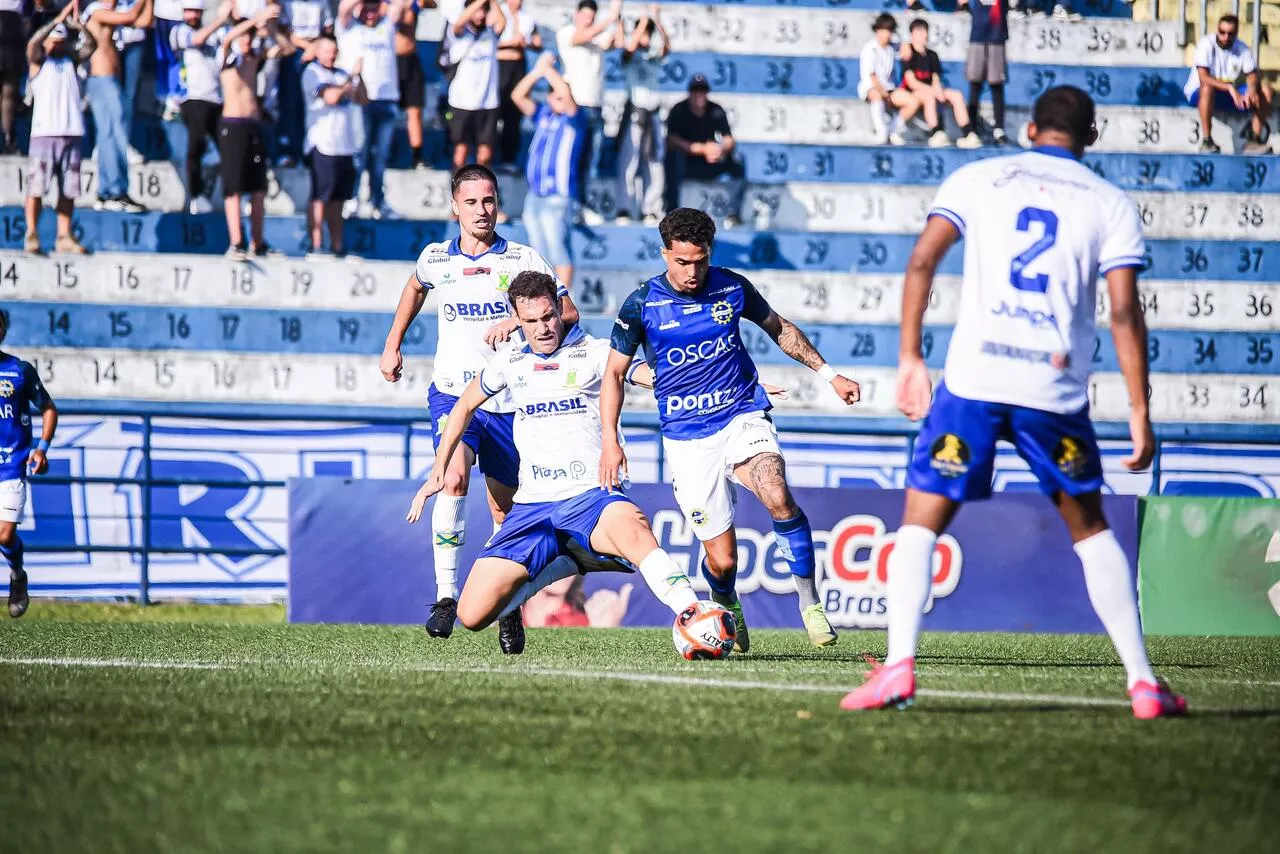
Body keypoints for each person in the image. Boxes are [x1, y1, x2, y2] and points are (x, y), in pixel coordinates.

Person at [838, 87, 1186, 720]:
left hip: (974, 380)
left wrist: (910, 357)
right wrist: (1139, 410)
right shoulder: (1109, 202)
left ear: (1029, 130)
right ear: (1091, 135)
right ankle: (1142, 684)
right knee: (1091, 529)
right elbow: (1124, 312)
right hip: (1052, 391)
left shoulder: (978, 178)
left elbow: (921, 262)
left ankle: (897, 668)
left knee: (919, 522)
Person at [599, 208, 861, 651]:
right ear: (664, 254)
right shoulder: (642, 305)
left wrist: (829, 374)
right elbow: (613, 374)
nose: (692, 272)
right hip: (687, 437)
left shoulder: (732, 286)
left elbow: (780, 328)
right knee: (722, 562)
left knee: (777, 493)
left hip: (741, 413)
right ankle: (725, 599)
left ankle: (811, 604)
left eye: (700, 260)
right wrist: (611, 440)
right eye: (682, 262)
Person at [407, 271, 702, 644]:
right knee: (473, 614)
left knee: (636, 533)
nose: (543, 328)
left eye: (548, 316)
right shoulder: (510, 361)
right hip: (532, 506)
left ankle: (695, 613)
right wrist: (439, 469)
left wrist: (729, 387)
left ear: (560, 310)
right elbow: (464, 405)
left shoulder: (594, 352)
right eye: (531, 321)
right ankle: (568, 559)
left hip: (591, 495)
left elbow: (653, 377)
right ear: (517, 319)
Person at [379, 164, 582, 645]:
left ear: (498, 204)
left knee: (503, 511)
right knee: (453, 476)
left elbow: (569, 312)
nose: (481, 210)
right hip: (454, 393)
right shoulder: (436, 258)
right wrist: (393, 342)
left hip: (510, 401)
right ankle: (446, 597)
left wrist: (517, 322)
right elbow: (415, 287)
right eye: (471, 202)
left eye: (488, 200)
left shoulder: (523, 260)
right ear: (455, 207)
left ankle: (505, 605)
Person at [218, 3, 293, 259]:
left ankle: (257, 242)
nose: (246, 41)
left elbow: (287, 49)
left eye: (249, 37)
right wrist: (253, 20)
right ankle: (236, 242)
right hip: (233, 125)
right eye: (243, 37)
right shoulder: (228, 57)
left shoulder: (255, 57)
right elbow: (227, 39)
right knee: (234, 187)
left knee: (258, 188)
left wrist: (270, 28)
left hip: (253, 126)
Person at [0, 308, 59, 620]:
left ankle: (17, 575)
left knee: (4, 535)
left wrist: (41, 449)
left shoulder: (19, 370)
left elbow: (48, 409)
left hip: (11, 465)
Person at [511, 51, 586, 288]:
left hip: (558, 195)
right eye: (554, 95)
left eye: (561, 95)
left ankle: (564, 301)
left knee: (558, 250)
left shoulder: (575, 120)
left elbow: (565, 95)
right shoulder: (543, 115)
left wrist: (548, 71)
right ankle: (543, 298)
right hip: (535, 194)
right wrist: (537, 71)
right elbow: (517, 95)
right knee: (538, 254)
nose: (558, 98)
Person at [23, 9, 95, 256]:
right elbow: (32, 45)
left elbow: (91, 46)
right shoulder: (38, 63)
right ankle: (32, 233)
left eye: (61, 41)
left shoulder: (70, 62)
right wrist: (55, 21)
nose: (57, 45)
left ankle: (64, 235)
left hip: (71, 132)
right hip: (44, 134)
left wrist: (79, 26)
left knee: (69, 190)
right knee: (36, 187)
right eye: (53, 41)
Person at [82, 0, 151, 212]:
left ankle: (106, 192)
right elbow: (131, 16)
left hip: (110, 80)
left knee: (110, 135)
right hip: (101, 79)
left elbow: (145, 21)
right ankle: (115, 191)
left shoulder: (111, 13)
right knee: (114, 135)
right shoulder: (96, 11)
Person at [337, 0, 404, 220]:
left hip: (387, 100)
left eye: (374, 9)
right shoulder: (349, 27)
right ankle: (352, 198)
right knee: (359, 153)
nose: (370, 13)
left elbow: (399, 6)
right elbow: (344, 8)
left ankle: (378, 202)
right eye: (366, 8)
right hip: (360, 101)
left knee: (381, 156)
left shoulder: (387, 26)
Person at [302, 35, 365, 257]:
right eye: (327, 51)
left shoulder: (341, 74)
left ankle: (337, 246)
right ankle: (316, 244)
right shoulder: (312, 72)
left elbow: (362, 98)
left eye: (334, 51)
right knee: (320, 196)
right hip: (322, 144)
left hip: (344, 145)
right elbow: (330, 97)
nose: (332, 55)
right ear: (318, 51)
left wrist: (359, 78)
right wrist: (350, 80)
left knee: (338, 199)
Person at [556, 0, 621, 214]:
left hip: (596, 105)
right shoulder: (566, 33)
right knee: (572, 157)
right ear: (576, 14)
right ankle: (569, 202)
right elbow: (581, 37)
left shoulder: (598, 34)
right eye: (585, 16)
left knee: (590, 160)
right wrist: (609, 18)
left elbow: (618, 43)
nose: (588, 21)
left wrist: (618, 16)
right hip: (575, 105)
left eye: (591, 17)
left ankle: (581, 204)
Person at [1184, 15, 1273, 155]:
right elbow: (1204, 78)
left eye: (1230, 33)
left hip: (1228, 95)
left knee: (1266, 91)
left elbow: (1253, 75)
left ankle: (1254, 140)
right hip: (1200, 93)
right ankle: (1207, 141)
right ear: (1217, 30)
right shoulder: (1206, 44)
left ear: (1236, 33)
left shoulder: (1242, 48)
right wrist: (1230, 88)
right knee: (1207, 88)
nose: (1226, 37)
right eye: (1222, 32)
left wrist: (1251, 89)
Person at [172, 0, 228, 215]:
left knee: (225, 150)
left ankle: (222, 193)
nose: (192, 16)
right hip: (193, 98)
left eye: (196, 11)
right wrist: (221, 19)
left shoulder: (216, 34)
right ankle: (196, 195)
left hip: (216, 99)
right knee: (196, 147)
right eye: (189, 11)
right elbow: (197, 39)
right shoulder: (178, 31)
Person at [664, 74, 743, 226]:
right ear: (689, 92)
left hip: (710, 162)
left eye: (702, 90)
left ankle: (734, 213)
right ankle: (672, 210)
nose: (699, 94)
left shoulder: (716, 110)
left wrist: (720, 149)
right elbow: (671, 140)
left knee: (738, 159)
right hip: (687, 163)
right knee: (672, 158)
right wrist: (701, 149)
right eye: (695, 90)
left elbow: (729, 139)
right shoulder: (679, 110)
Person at [615, 3, 668, 225]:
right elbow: (628, 50)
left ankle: (650, 208)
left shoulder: (653, 55)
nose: (644, 37)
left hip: (653, 114)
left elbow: (667, 46)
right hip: (635, 114)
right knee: (629, 161)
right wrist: (643, 21)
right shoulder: (630, 56)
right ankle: (624, 208)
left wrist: (656, 20)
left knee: (654, 163)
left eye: (647, 33)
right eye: (642, 32)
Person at [901, 18, 981, 149]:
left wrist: (938, 90)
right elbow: (912, 82)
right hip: (914, 92)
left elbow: (935, 79)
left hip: (932, 89)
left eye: (925, 31)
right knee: (929, 97)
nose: (923, 35)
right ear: (912, 34)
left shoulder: (932, 55)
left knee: (956, 95)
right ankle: (936, 133)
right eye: (919, 31)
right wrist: (933, 92)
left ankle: (968, 133)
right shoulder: (908, 53)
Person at [445, 0, 505, 169]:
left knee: (485, 154)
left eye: (484, 11)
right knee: (461, 151)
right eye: (477, 11)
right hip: (462, 102)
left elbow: (502, 22)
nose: (480, 15)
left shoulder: (490, 34)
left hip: (488, 103)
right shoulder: (459, 34)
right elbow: (459, 23)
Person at [495, 0, 538, 172]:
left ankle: (508, 159)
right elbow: (487, 40)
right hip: (500, 65)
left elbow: (538, 42)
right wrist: (511, 42)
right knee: (494, 111)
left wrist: (526, 42)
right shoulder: (498, 13)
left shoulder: (526, 18)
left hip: (518, 66)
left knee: (513, 114)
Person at [957, 0, 1009, 144]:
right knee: (975, 83)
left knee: (996, 84)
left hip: (997, 34)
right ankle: (972, 129)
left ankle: (999, 129)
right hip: (978, 35)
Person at [858, 13, 911, 146]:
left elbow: (905, 48)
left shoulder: (891, 47)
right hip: (871, 87)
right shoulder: (870, 49)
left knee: (912, 101)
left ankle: (893, 130)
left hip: (889, 88)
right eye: (884, 30)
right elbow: (872, 77)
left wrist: (905, 45)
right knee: (876, 96)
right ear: (877, 30)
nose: (887, 34)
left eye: (889, 31)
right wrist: (884, 94)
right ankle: (881, 132)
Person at [113, 0, 153, 162]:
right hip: (112, 40)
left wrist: (128, 18)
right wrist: (130, 17)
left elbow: (146, 20)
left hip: (135, 41)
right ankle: (105, 144)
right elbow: (105, 9)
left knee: (130, 95)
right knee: (111, 93)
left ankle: (125, 143)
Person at [395, 0, 428, 170]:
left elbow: (431, 4)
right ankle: (385, 152)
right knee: (386, 111)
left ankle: (417, 155)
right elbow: (398, 23)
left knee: (415, 110)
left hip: (411, 59)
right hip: (389, 61)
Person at [0, 0, 23, 154]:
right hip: (13, 25)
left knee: (9, 93)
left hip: (13, 26)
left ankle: (9, 139)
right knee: (9, 94)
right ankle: (9, 140)